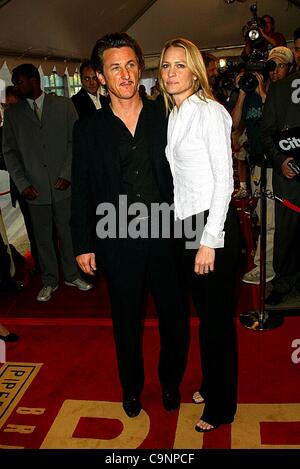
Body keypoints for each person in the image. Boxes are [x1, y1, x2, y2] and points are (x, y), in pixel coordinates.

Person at [71, 33, 189, 418]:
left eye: (131, 64)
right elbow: (83, 188)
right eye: (115, 67)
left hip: (167, 236)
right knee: (126, 324)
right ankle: (131, 389)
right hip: (116, 237)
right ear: (100, 77)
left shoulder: (168, 116)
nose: (125, 74)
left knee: (175, 319)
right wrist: (82, 242)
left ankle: (170, 382)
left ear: (141, 68)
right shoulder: (88, 130)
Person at [158, 37, 240, 432]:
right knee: (205, 317)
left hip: (213, 226)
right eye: (166, 66)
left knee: (217, 323)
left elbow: (224, 180)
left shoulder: (210, 112)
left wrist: (210, 239)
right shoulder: (174, 114)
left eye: (179, 65)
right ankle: (211, 384)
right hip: (186, 223)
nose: (171, 72)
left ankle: (222, 408)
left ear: (194, 70)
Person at [3, 64, 93, 302]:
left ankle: (72, 275)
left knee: (68, 233)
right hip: (34, 190)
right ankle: (49, 280)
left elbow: (76, 142)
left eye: (18, 81)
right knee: (42, 239)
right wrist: (22, 184)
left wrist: (67, 174)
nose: (15, 85)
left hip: (64, 186)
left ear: (34, 80)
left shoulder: (64, 106)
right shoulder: (13, 114)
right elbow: (9, 153)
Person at [261, 55, 300, 305]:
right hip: (289, 178)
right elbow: (265, 132)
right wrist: (280, 160)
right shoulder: (280, 88)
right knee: (287, 233)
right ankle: (283, 281)